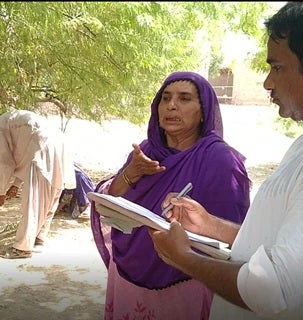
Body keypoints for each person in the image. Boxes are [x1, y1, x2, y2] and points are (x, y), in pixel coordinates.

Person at [149, 2, 303, 320]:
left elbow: (276, 289)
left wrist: (184, 258)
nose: (268, 83)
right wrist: (213, 227)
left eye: (277, 67)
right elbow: (292, 245)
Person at [90, 71, 251, 319]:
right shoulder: (146, 151)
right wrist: (130, 174)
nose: (171, 105)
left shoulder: (220, 160)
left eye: (184, 98)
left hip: (186, 280)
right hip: (128, 272)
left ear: (203, 111)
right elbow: (111, 200)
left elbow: (234, 239)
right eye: (165, 98)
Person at [0, 109, 76, 259]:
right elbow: (22, 154)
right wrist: (16, 185)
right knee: (51, 192)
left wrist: (0, 193)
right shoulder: (12, 119)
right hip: (59, 144)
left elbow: (6, 163)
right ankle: (39, 236)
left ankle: (22, 248)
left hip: (42, 147)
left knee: (33, 200)